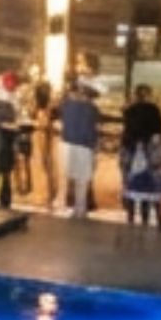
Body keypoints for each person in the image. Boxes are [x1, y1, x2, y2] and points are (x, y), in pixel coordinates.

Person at [56, 74, 105, 215]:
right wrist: (96, 147)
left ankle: (64, 204)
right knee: (82, 181)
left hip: (67, 144)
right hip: (85, 146)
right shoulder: (92, 109)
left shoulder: (66, 104)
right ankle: (80, 208)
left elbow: (60, 117)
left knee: (67, 177)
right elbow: (95, 128)